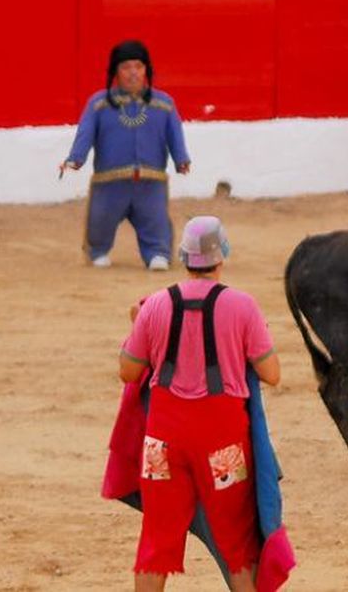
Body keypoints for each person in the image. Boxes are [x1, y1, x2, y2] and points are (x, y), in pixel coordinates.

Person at [119, 216, 283, 592]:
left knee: (156, 538)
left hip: (162, 441)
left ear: (183, 257)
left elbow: (129, 371)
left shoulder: (155, 305)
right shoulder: (243, 306)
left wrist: (136, 325)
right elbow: (272, 373)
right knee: (238, 542)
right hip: (221, 441)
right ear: (222, 254)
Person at [60, 40, 190, 270]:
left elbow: (175, 135)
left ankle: (158, 253)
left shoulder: (164, 104)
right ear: (115, 72)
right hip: (109, 182)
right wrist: (75, 158)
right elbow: (85, 133)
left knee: (155, 219)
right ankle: (97, 250)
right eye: (126, 67)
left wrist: (181, 159)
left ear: (146, 70)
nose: (133, 73)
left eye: (138, 67)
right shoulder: (98, 104)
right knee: (101, 219)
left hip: (151, 182)